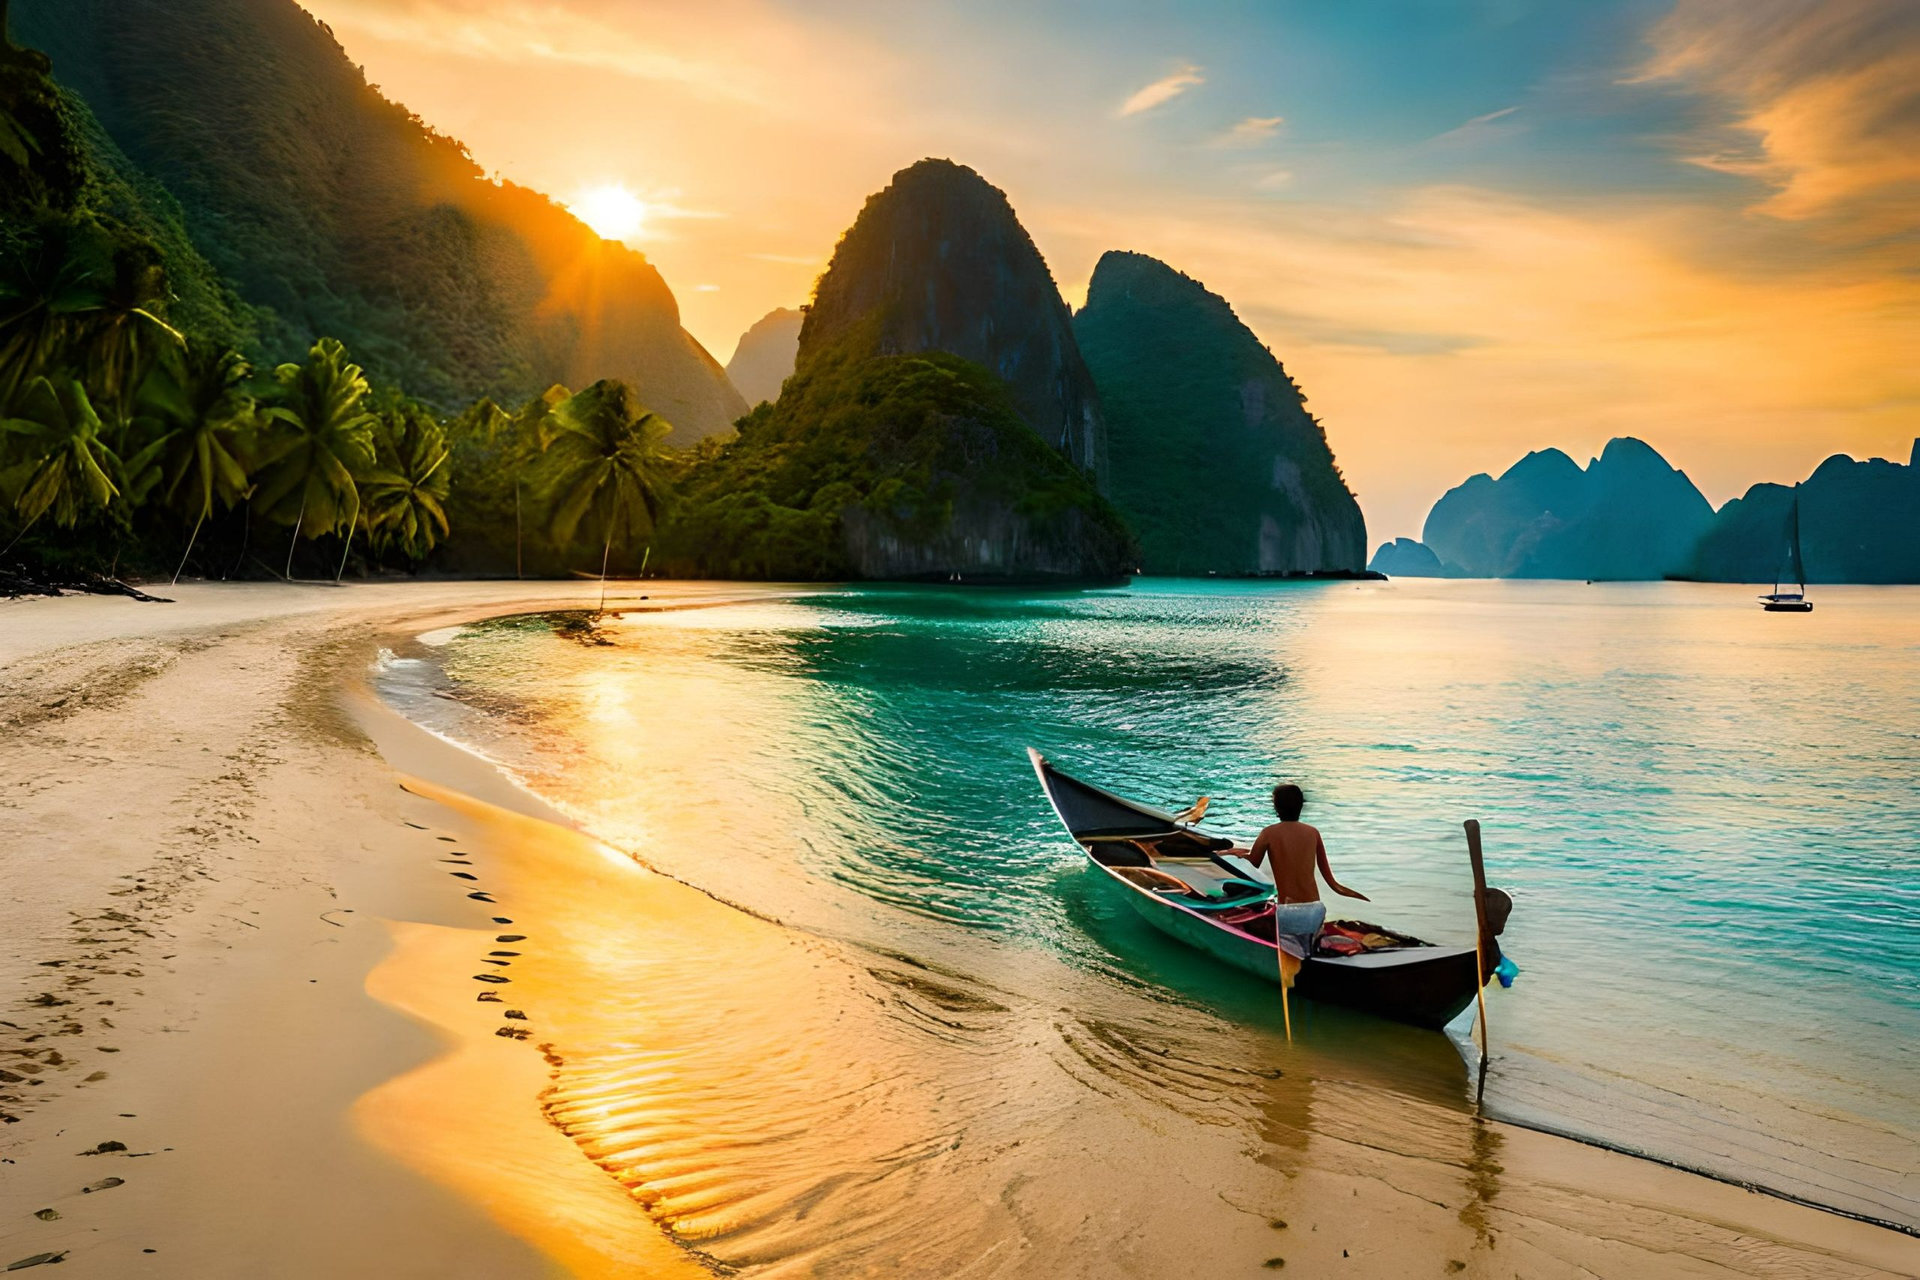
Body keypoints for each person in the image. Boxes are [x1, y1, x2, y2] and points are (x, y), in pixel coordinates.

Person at [1247, 784, 1369, 905]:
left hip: (1287, 908)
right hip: (1314, 907)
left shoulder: (1268, 833)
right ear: (1300, 806)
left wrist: (1231, 853)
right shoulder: (1312, 832)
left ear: (1276, 806)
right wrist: (1363, 900)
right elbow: (1334, 885)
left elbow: (1252, 863)